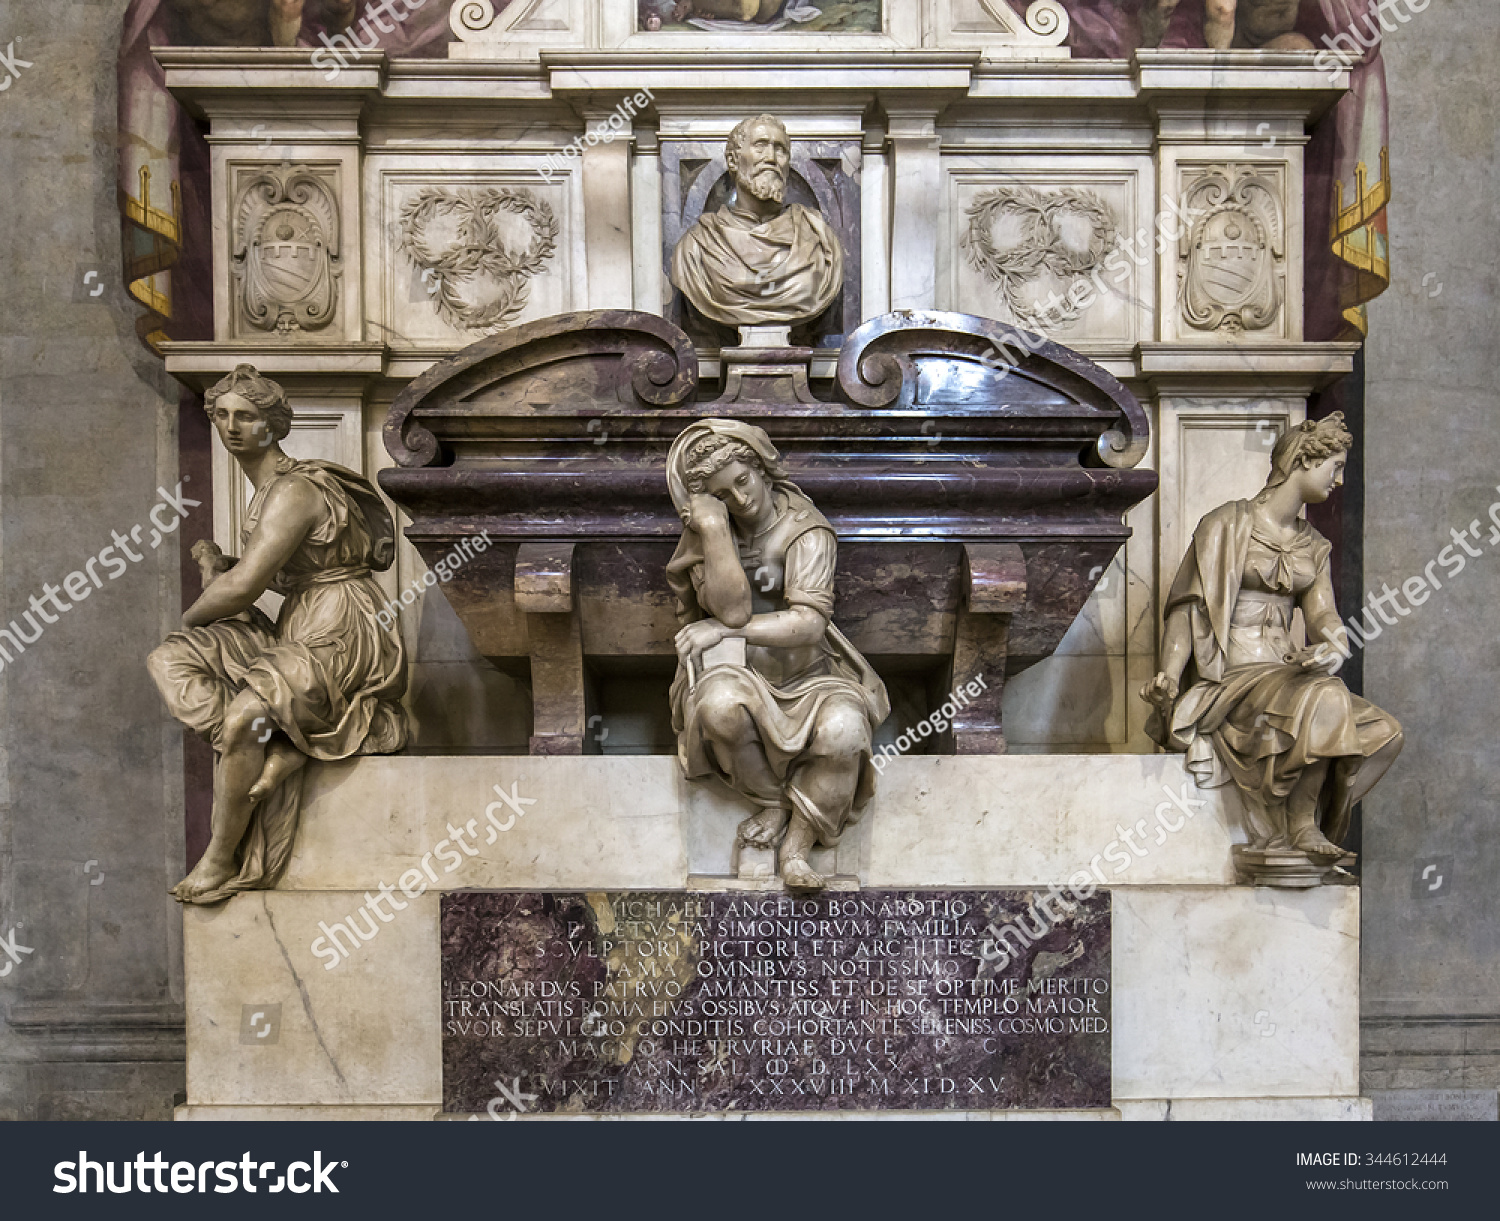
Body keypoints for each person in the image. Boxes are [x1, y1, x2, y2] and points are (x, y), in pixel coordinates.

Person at [149, 365, 408, 904]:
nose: (231, 427)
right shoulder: (267, 490)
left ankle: (221, 857)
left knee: (245, 709)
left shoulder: (292, 489)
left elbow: (245, 588)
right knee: (171, 659)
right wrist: (220, 576)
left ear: (274, 425)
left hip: (345, 626)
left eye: (246, 416)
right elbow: (268, 570)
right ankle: (277, 747)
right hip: (302, 619)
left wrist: (197, 612)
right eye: (221, 415)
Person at [1142, 413, 1401, 862]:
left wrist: (1332, 649)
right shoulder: (1224, 525)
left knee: (1385, 734)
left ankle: (1309, 817)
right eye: (1334, 466)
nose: (1338, 480)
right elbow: (1187, 610)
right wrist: (1168, 674)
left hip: (1288, 678)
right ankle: (1299, 825)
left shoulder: (1314, 546)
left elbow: (1324, 616)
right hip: (1232, 679)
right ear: (1303, 460)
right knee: (1327, 698)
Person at [666, 420, 888, 889]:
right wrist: (713, 529)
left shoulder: (807, 531)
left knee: (846, 731)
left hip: (812, 675)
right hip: (734, 672)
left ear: (762, 469)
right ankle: (774, 801)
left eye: (743, 481)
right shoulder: (710, 535)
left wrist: (718, 629)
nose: (740, 500)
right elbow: (733, 610)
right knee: (719, 709)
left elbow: (809, 624)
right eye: (723, 494)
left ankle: (796, 847)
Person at [670, 114, 843, 329]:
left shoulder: (818, 238)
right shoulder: (698, 245)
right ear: (733, 160)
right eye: (760, 146)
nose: (771, 158)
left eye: (780, 149)